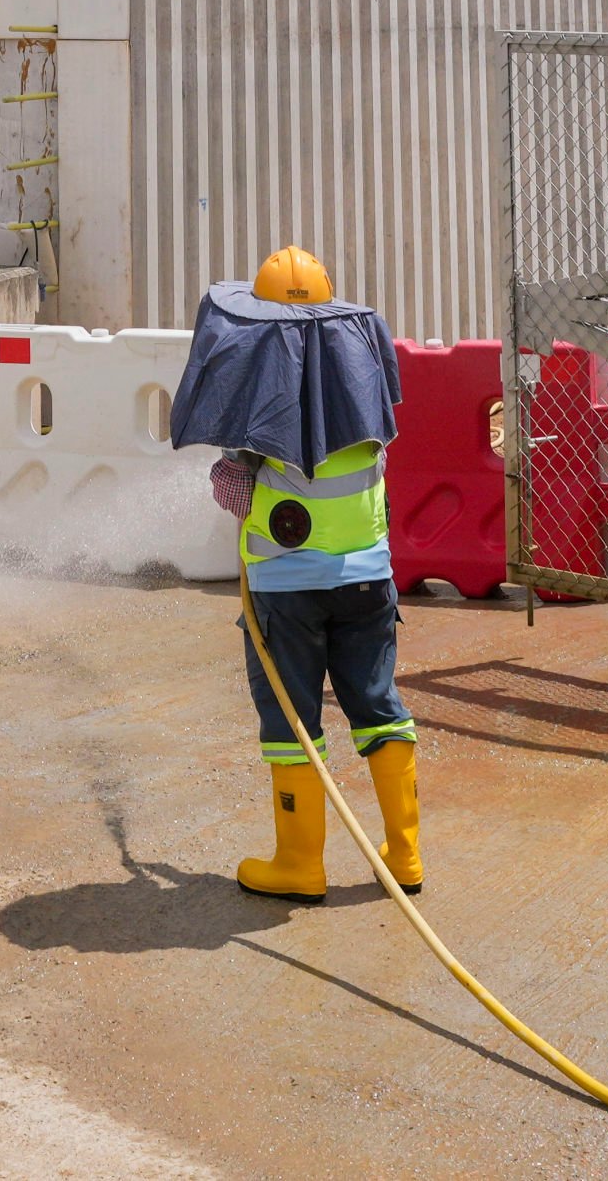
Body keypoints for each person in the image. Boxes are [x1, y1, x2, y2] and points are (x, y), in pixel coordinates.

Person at [203, 246, 422, 900]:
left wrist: (230, 470)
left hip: (285, 591)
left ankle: (300, 866)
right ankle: (405, 856)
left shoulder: (258, 406)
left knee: (292, 720)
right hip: (368, 581)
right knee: (378, 708)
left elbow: (242, 492)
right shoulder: (365, 390)